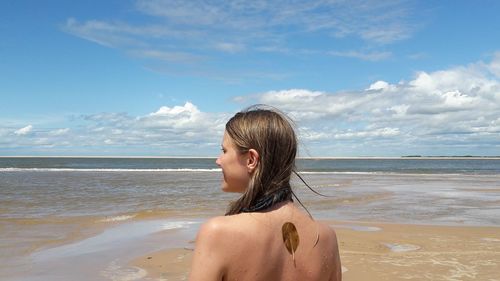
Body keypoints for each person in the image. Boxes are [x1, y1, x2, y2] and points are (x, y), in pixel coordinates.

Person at [189, 105, 342, 281]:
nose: (218, 160)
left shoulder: (218, 232)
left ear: (251, 160)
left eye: (224, 151)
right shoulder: (326, 237)